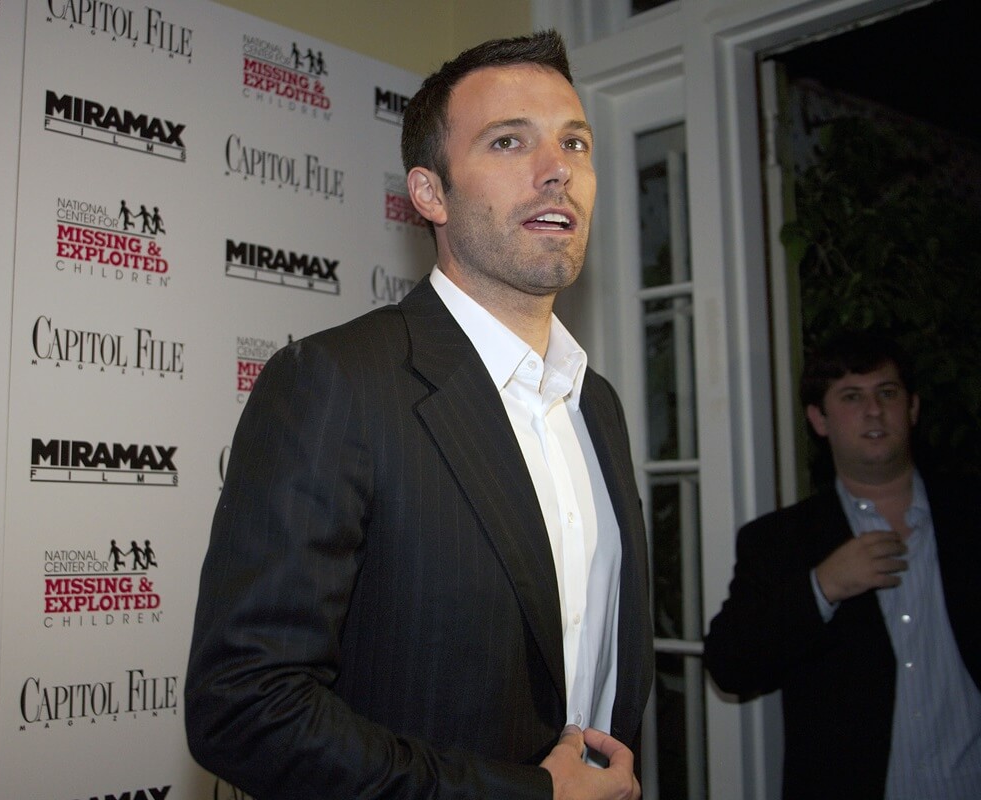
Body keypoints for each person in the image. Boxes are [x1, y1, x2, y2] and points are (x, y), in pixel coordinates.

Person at [186, 31, 652, 800]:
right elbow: (244, 709)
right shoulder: (335, 383)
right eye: (510, 142)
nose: (556, 170)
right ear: (430, 193)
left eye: (575, 142)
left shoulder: (596, 403)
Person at [705, 331, 981, 799]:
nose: (874, 411)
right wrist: (823, 586)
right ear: (819, 419)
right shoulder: (781, 541)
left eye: (887, 393)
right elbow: (730, 666)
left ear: (911, 408)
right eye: (851, 397)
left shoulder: (970, 517)